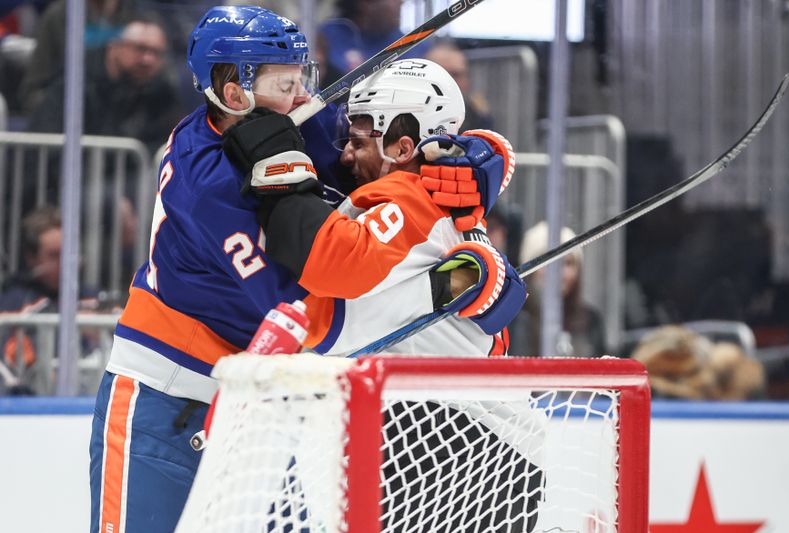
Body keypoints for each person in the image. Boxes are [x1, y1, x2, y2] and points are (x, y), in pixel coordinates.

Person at [88, 7, 518, 533]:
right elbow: (304, 311)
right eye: (284, 82)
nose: (301, 97)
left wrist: (472, 158)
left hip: (264, 403)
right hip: (167, 400)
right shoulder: (206, 183)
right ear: (233, 91)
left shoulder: (291, 122)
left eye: (303, 78)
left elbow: (383, 160)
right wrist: (442, 287)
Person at [223, 57, 538, 531]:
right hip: (451, 444)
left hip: (463, 446)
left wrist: (281, 176)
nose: (346, 155)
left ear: (403, 145)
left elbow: (330, 262)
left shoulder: (411, 198)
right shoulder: (425, 196)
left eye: (357, 141)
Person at [27, 12, 181, 153]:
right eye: (140, 49)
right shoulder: (74, 85)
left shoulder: (161, 93)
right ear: (114, 47)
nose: (148, 60)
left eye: (156, 53)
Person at [0, 206, 99, 395]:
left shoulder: (93, 298)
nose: (65, 263)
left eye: (70, 253)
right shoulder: (13, 305)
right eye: (54, 255)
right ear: (31, 258)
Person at [510, 221, 606, 356]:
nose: (558, 272)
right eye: (549, 263)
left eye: (567, 263)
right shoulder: (510, 319)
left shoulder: (591, 321)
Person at [316, 0, 431, 87]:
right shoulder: (326, 36)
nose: (401, 2)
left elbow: (429, 55)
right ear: (365, 3)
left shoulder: (400, 37)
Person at [425, 40, 494, 132]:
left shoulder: (478, 116)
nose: (452, 82)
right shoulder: (408, 115)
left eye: (457, 75)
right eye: (446, 74)